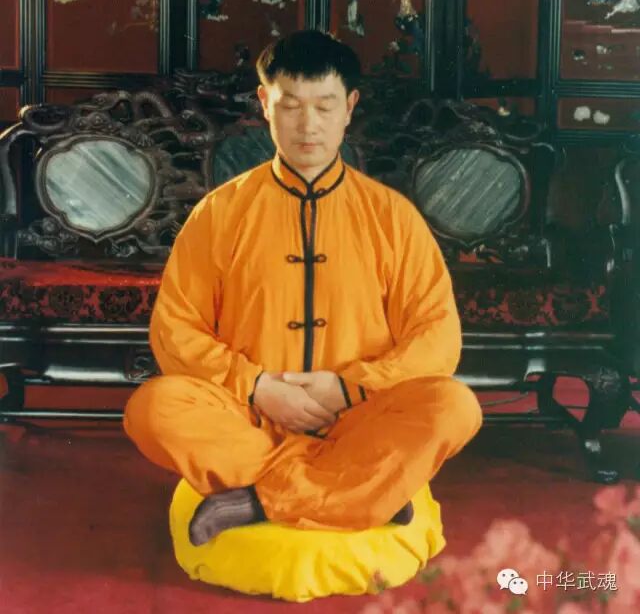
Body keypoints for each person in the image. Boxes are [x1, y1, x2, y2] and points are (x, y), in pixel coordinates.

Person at [123, 30, 482, 547]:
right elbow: (176, 329)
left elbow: (436, 337)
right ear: (264, 103)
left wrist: (350, 389)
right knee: (153, 409)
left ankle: (254, 500)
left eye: (324, 106)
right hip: (250, 417)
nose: (307, 125)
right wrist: (258, 387)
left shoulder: (393, 217)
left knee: (454, 406)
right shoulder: (220, 213)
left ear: (349, 107)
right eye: (290, 105)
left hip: (360, 416)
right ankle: (363, 489)